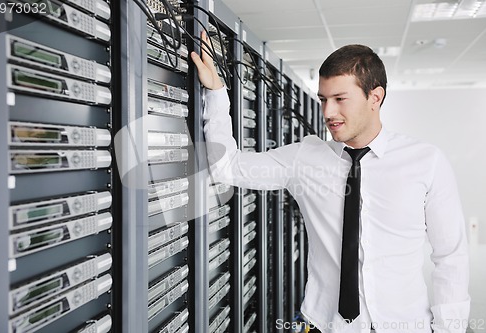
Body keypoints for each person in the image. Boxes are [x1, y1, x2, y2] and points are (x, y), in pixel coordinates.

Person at [191, 32, 470, 333]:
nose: (327, 112)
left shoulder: (426, 162)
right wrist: (216, 93)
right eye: (323, 100)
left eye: (340, 99)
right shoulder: (306, 158)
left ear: (375, 97)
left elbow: (450, 255)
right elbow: (227, 168)